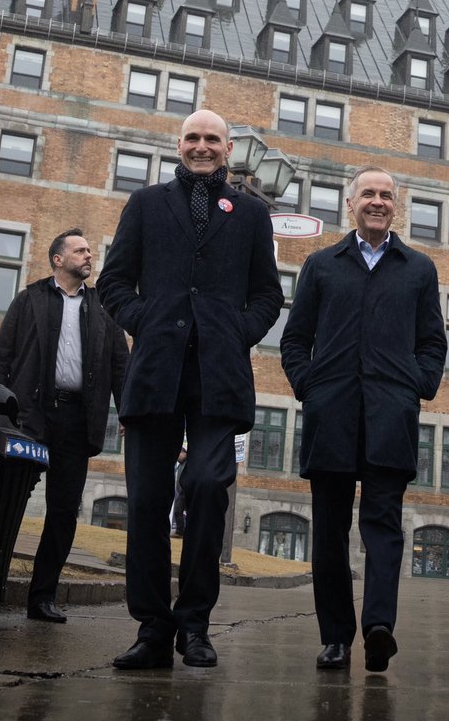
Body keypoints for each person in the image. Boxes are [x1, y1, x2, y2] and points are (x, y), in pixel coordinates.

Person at [98, 109, 283, 671]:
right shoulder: (146, 204)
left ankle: (195, 623)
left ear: (228, 149)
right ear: (178, 145)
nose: (201, 147)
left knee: (206, 486)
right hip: (155, 373)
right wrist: (147, 320)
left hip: (217, 379)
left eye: (212, 140)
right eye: (192, 138)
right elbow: (112, 281)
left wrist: (234, 332)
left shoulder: (251, 213)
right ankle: (153, 626)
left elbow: (268, 296)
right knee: (149, 503)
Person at [281, 166, 446, 675]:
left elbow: (433, 342)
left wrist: (415, 387)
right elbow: (294, 339)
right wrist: (310, 386)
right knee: (328, 534)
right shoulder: (322, 265)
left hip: (389, 416)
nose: (377, 202)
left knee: (383, 528)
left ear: (397, 207)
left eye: (386, 195)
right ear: (350, 204)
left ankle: (378, 629)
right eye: (368, 194)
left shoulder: (418, 269)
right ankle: (335, 638)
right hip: (331, 415)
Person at [0, 229, 129, 623]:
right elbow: (1, 360)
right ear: (58, 259)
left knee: (63, 511)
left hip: (76, 421)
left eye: (89, 251)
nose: (88, 256)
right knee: (6, 501)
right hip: (30, 417)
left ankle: (42, 597)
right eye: (80, 250)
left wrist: (129, 413)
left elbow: (121, 367)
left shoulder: (103, 308)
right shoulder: (29, 299)